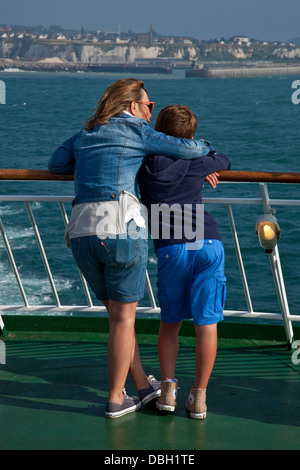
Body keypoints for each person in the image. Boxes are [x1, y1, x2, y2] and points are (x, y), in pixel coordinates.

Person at [48, 79, 215, 418]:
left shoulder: (86, 134)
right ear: (135, 106)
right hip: (121, 229)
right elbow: (187, 148)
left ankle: (141, 385)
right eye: (150, 107)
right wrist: (209, 151)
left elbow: (55, 164)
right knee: (124, 319)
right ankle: (115, 398)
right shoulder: (137, 130)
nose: (151, 113)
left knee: (117, 319)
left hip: (81, 232)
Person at [138, 104, 231, 419]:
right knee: (207, 323)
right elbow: (225, 159)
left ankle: (167, 390)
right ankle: (199, 398)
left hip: (173, 247)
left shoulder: (145, 163)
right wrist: (205, 163)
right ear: (191, 136)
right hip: (208, 241)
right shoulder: (198, 161)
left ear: (157, 132)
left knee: (171, 324)